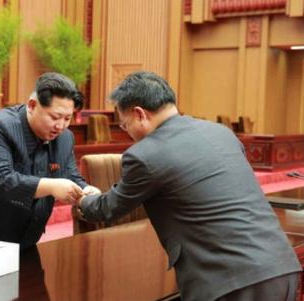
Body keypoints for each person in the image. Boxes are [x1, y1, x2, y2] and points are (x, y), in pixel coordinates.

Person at [76, 71, 302, 301]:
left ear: (139, 114)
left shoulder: (145, 155)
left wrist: (83, 199)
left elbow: (109, 208)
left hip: (232, 284)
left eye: (125, 125)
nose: (128, 133)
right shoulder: (221, 133)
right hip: (282, 268)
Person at [0, 72, 100, 254]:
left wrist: (85, 189)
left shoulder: (65, 138)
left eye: (67, 118)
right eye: (55, 117)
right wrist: (52, 186)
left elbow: (69, 173)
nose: (61, 126)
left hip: (25, 237)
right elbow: (1, 179)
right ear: (32, 105)